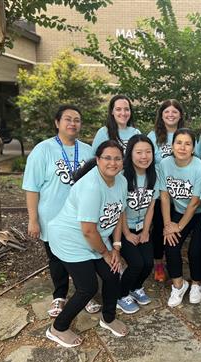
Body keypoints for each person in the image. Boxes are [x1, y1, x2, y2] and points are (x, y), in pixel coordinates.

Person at [46, 140, 129, 347]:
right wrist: (106, 253)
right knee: (87, 287)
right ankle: (58, 328)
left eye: (117, 158)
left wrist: (116, 247)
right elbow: (88, 230)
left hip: (95, 238)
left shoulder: (121, 180)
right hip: (70, 239)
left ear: (123, 161)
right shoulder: (91, 187)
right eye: (107, 158)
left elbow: (118, 213)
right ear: (98, 160)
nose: (113, 163)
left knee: (112, 274)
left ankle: (108, 318)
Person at [22, 104, 101, 317]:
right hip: (52, 216)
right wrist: (33, 220)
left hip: (80, 216)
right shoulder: (43, 150)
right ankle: (60, 295)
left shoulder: (87, 150)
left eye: (76, 120)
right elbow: (31, 187)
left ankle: (85, 294)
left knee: (85, 255)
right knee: (57, 259)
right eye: (68, 119)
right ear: (57, 123)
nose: (72, 123)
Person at [158, 128, 201, 307]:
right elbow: (164, 196)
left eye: (188, 144)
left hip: (200, 213)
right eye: (179, 142)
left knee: (194, 250)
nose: (182, 147)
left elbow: (194, 203)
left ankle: (196, 283)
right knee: (170, 244)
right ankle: (179, 284)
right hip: (178, 211)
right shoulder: (165, 164)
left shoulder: (199, 167)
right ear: (172, 146)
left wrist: (177, 227)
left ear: (193, 148)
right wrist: (168, 224)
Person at [116, 135, 158, 314]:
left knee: (148, 263)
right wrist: (127, 234)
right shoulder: (122, 176)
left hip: (143, 227)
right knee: (136, 264)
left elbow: (151, 206)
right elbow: (120, 209)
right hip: (124, 228)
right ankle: (120, 294)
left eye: (148, 152)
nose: (144, 156)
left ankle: (135, 287)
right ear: (130, 154)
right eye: (139, 152)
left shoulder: (153, 174)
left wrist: (146, 231)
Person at [148, 99, 186, 282]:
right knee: (159, 230)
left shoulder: (185, 135)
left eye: (174, 112)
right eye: (167, 112)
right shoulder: (153, 136)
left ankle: (175, 263)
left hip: (180, 195)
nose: (171, 115)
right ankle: (159, 264)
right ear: (161, 115)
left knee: (174, 230)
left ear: (180, 115)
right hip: (158, 192)